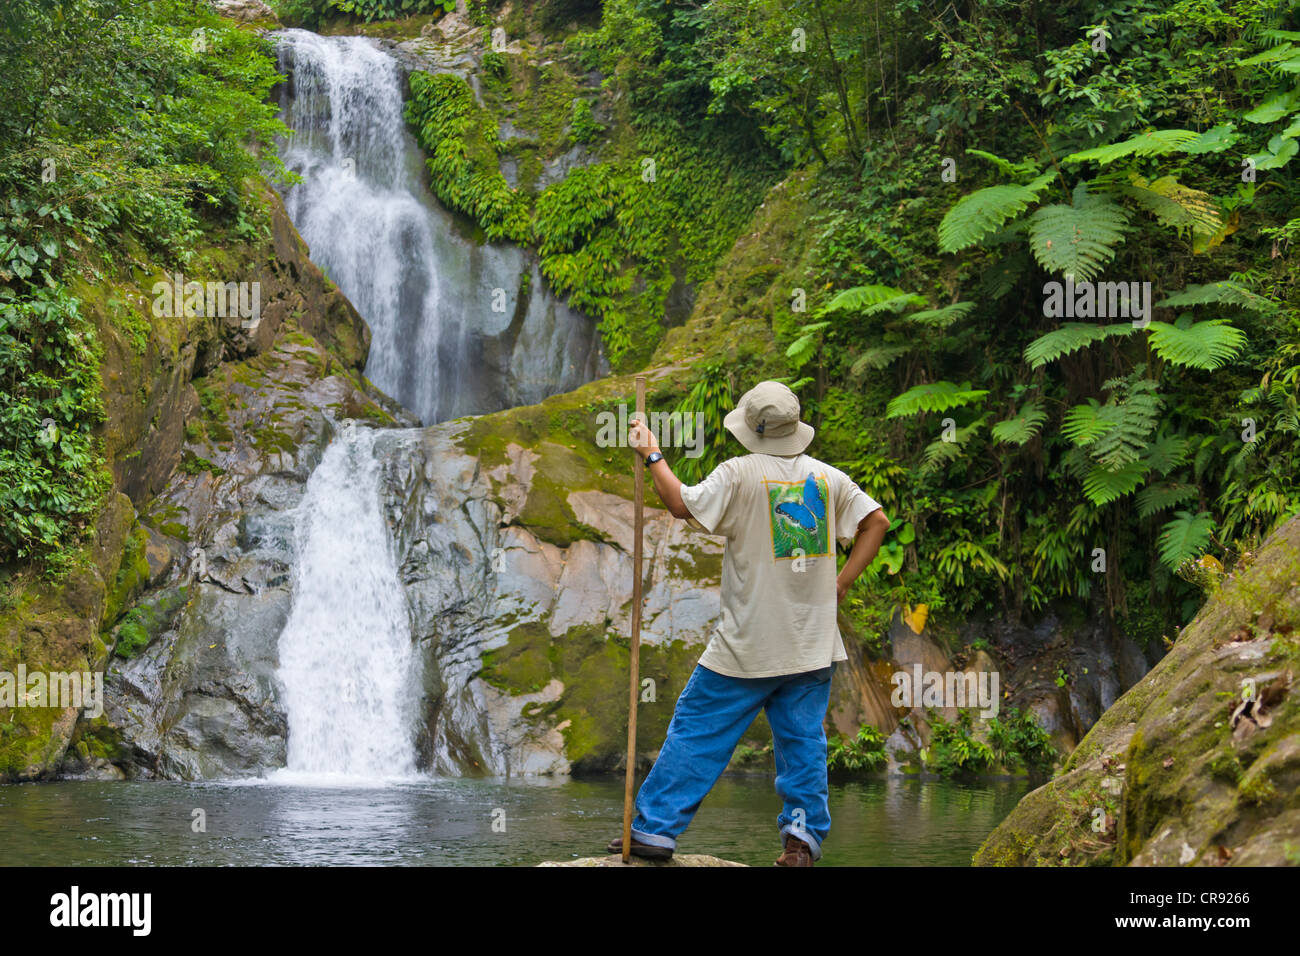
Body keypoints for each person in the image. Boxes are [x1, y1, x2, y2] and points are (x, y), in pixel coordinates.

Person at [608, 380, 889, 866]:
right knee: (802, 744)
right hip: (811, 644)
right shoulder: (828, 479)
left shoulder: (739, 474)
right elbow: (877, 522)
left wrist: (652, 454)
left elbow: (680, 503)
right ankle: (801, 844)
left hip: (748, 645)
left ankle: (654, 831)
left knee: (697, 730)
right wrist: (840, 583)